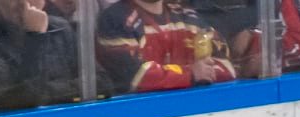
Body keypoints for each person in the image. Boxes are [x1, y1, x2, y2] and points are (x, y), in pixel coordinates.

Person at [96, 0, 235, 92]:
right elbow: (134, 77)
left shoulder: (186, 16)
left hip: (194, 114)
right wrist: (191, 74)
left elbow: (227, 68)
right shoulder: (115, 19)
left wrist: (200, 73)